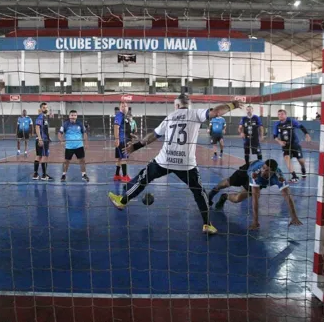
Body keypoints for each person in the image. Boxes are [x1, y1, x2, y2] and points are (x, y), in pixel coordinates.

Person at [107, 95, 242, 235]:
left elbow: (153, 136)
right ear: (188, 105)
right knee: (199, 192)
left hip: (165, 160)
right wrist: (232, 105)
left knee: (143, 178)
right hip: (186, 164)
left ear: (176, 106)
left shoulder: (170, 116)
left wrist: (135, 147)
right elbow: (216, 112)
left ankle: (122, 201)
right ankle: (207, 224)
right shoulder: (195, 113)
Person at [207, 159, 302, 230]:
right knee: (227, 183)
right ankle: (212, 192)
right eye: (264, 168)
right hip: (246, 170)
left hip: (257, 182)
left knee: (237, 199)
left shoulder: (279, 178)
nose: (264, 171)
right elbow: (255, 199)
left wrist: (294, 217)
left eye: (267, 170)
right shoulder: (256, 174)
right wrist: (255, 221)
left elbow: (288, 197)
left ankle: (225, 197)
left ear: (273, 172)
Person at [273, 109, 311, 183]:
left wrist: (306, 134)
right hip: (285, 145)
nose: (280, 115)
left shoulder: (291, 121)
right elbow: (275, 136)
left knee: (301, 161)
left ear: (286, 115)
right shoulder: (277, 124)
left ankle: (303, 168)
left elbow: (301, 126)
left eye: (282, 114)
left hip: (295, 144)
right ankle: (294, 176)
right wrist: (279, 141)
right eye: (279, 114)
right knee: (286, 158)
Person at [58, 110, 89, 182]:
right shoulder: (65, 124)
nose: (73, 117)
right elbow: (59, 133)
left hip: (79, 146)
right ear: (69, 116)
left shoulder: (80, 124)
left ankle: (84, 175)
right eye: (72, 115)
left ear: (76, 116)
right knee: (66, 161)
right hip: (69, 147)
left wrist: (86, 143)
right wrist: (61, 140)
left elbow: (84, 133)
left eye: (75, 115)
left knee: (82, 160)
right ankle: (64, 175)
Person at [33, 102, 53, 181]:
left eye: (46, 107)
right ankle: (44, 175)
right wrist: (40, 139)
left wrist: (49, 137)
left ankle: (35, 174)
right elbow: (37, 128)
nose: (45, 109)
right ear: (41, 109)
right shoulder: (40, 117)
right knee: (44, 156)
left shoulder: (45, 117)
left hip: (45, 139)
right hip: (42, 140)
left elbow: (45, 129)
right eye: (44, 107)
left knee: (39, 156)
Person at [113, 101, 132, 182]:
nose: (124, 107)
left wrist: (131, 136)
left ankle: (117, 175)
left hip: (124, 139)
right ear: (120, 108)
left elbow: (125, 129)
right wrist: (117, 139)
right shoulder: (119, 115)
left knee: (119, 158)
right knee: (124, 158)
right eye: (122, 106)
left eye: (126, 106)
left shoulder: (125, 117)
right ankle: (125, 176)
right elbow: (116, 127)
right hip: (121, 141)